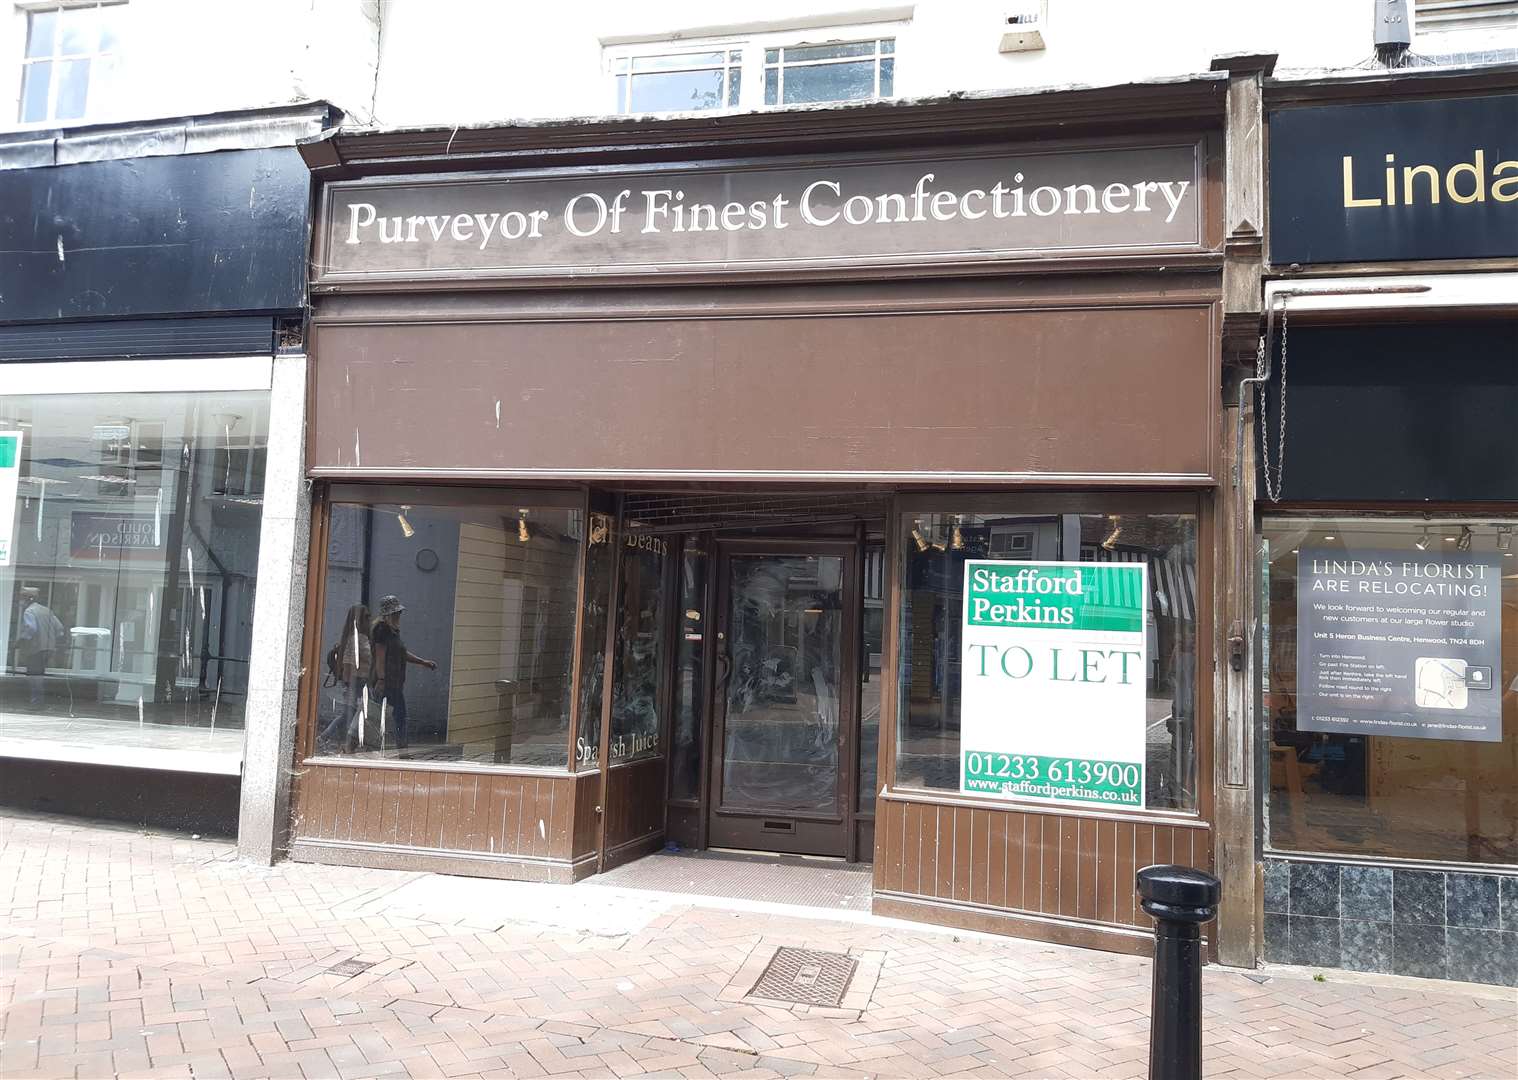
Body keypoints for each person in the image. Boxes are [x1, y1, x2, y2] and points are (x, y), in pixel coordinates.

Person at [368, 595, 436, 750]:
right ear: (389, 614)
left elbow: (402, 654)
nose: (399, 615)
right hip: (386, 682)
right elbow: (380, 656)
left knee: (382, 716)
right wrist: (381, 679)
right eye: (397, 613)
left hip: (394, 683)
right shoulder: (382, 630)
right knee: (382, 716)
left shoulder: (393, 631)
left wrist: (423, 662)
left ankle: (398, 748)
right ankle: (400, 749)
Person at [317, 604, 371, 753]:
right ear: (358, 620)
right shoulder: (354, 639)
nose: (369, 619)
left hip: (360, 682)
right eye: (366, 617)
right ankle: (330, 738)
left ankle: (343, 741)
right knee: (350, 714)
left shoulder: (362, 637)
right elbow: (348, 663)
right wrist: (349, 684)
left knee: (351, 714)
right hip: (355, 682)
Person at [16, 587, 65, 708]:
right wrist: (50, 639)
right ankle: (38, 701)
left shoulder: (29, 611)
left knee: (34, 677)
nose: (20, 601)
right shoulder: (47, 610)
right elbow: (60, 629)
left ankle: (36, 702)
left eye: (22, 598)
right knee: (39, 675)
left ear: (28, 599)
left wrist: (21, 641)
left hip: (35, 649)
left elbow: (31, 629)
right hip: (48, 649)